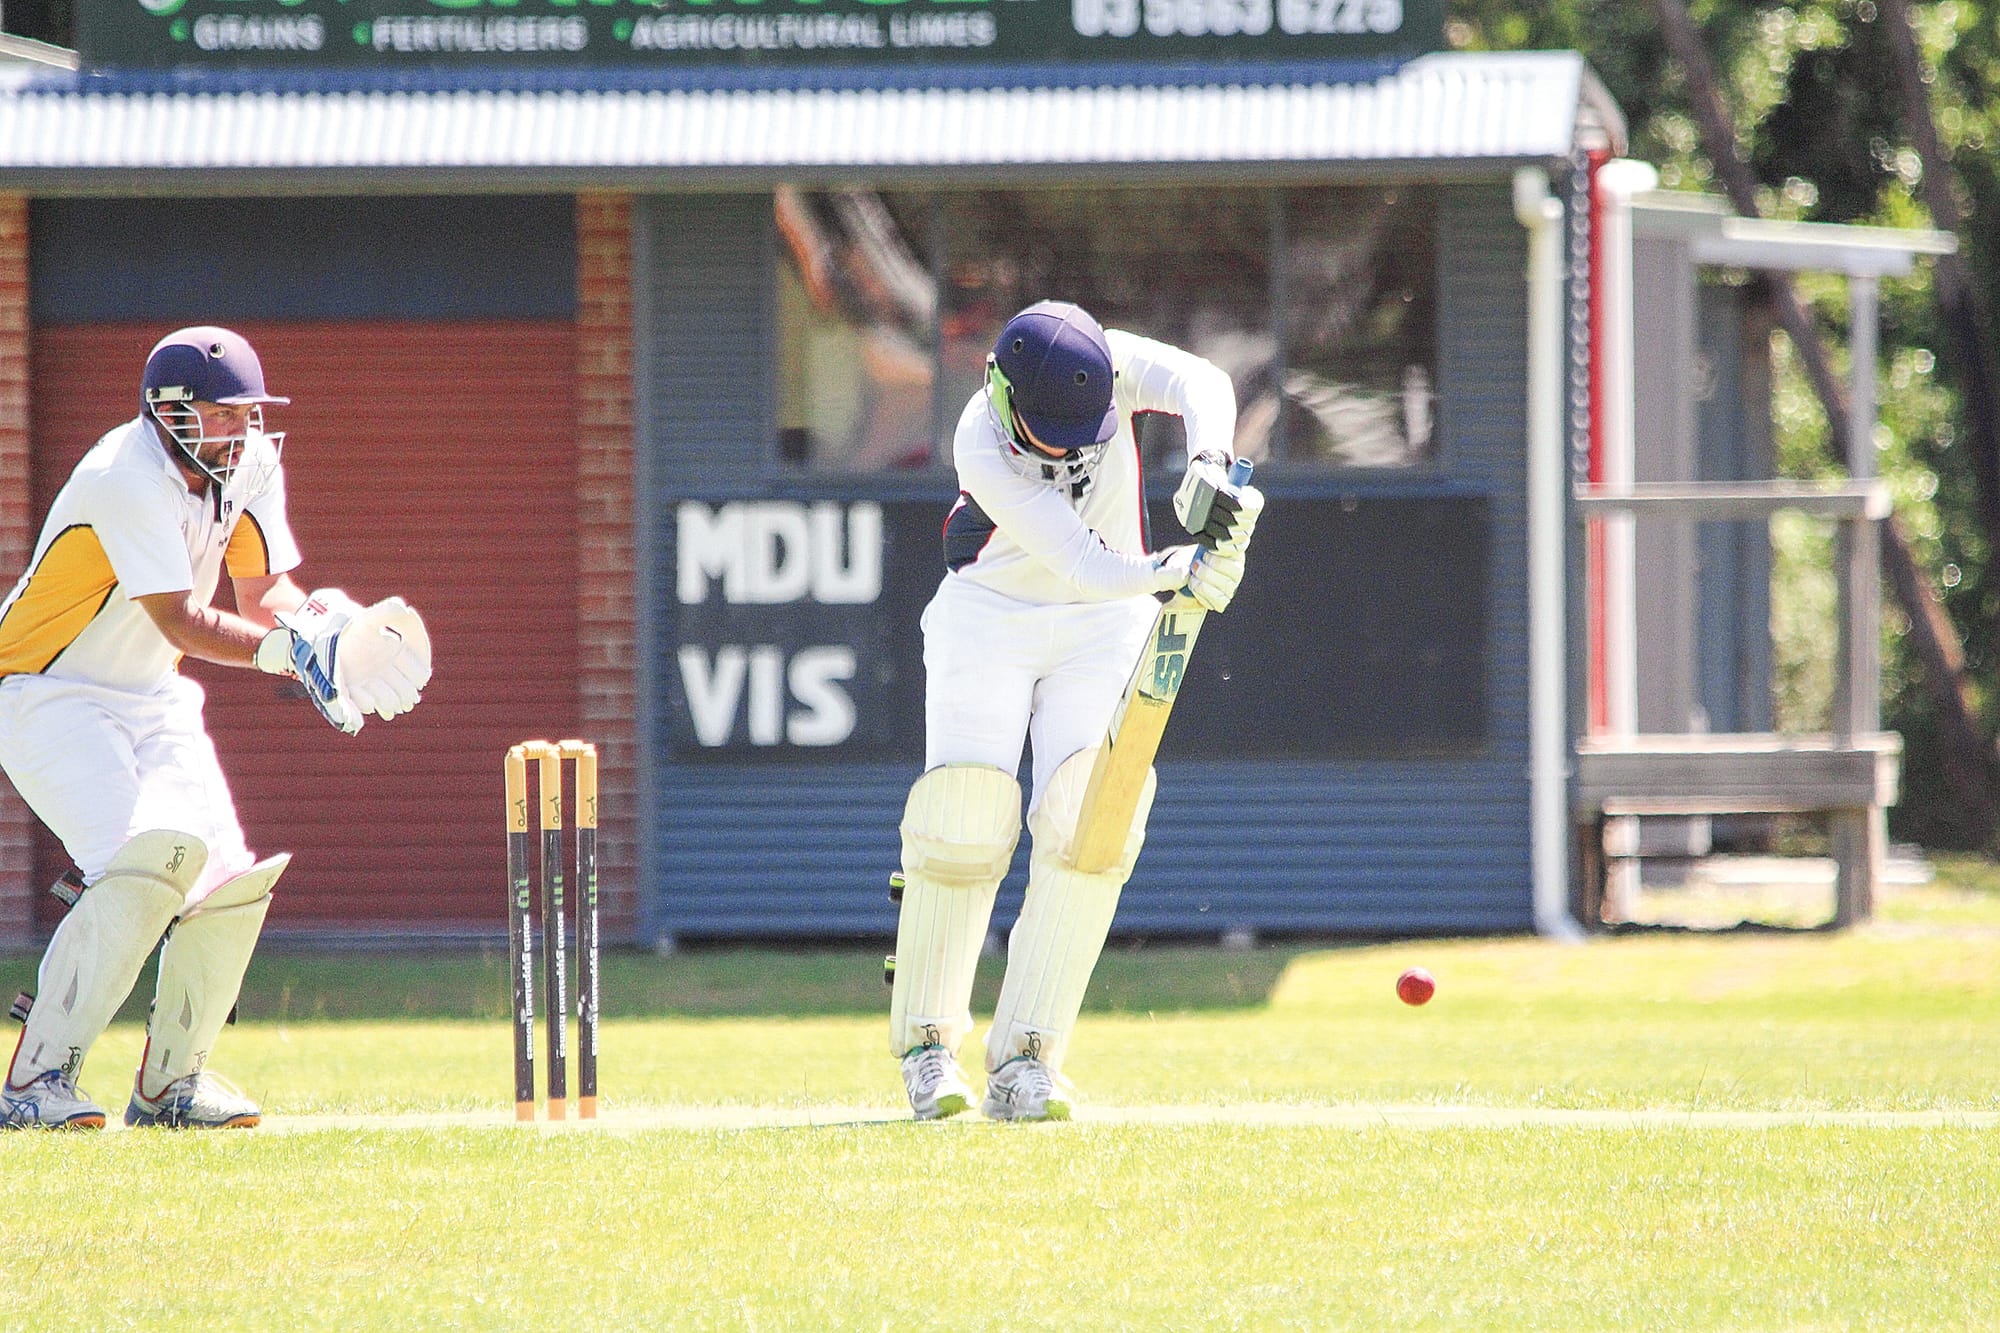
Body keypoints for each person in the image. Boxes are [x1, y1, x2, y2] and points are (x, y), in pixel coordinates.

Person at [0, 326, 433, 1130]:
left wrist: (330, 628)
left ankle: (172, 1088)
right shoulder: (123, 475)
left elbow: (262, 589)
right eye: (223, 414)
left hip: (151, 694)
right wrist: (289, 655)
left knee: (230, 881)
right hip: (43, 690)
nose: (241, 430)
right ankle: (34, 1083)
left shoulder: (249, 465)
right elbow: (180, 619)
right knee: (146, 865)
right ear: (168, 413)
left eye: (250, 414)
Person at [888, 300, 1263, 1122]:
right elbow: (1082, 560)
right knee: (964, 822)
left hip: (1099, 629)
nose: (1065, 450)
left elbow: (1204, 379)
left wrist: (1208, 461)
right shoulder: (979, 439)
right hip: (993, 616)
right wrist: (1182, 566)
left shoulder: (1115, 364)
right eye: (1047, 434)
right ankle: (927, 1047)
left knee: (1091, 822)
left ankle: (1027, 1058)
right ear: (1004, 392)